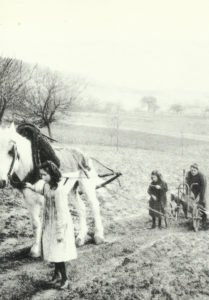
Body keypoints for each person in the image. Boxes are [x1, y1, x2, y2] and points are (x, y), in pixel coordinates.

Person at [25, 160, 77, 289]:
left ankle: (64, 278)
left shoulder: (59, 190)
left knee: (59, 253)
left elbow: (61, 213)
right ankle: (56, 275)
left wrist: (60, 232)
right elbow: (42, 190)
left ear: (51, 174)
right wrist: (30, 186)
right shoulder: (47, 185)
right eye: (41, 175)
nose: (42, 178)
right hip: (49, 223)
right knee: (53, 251)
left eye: (44, 175)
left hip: (59, 224)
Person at [186, 163, 207, 227]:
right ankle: (190, 215)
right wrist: (189, 193)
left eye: (194, 170)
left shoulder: (201, 176)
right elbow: (187, 184)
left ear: (197, 170)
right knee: (189, 203)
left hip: (200, 190)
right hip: (192, 189)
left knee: (201, 204)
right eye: (191, 170)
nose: (192, 172)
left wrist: (200, 199)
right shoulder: (188, 174)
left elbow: (203, 188)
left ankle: (204, 220)